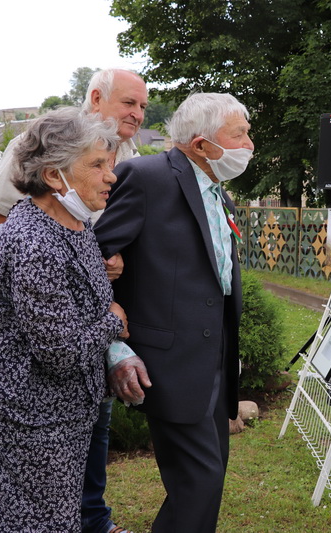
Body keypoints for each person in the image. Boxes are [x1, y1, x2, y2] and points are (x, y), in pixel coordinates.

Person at [0, 68, 147, 533]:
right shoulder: (35, 241)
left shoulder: (70, 227)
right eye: (97, 165)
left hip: (56, 414)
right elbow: (60, 352)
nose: (111, 177)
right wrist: (114, 321)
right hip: (26, 417)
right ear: (54, 175)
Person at [95, 92, 253, 532]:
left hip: (213, 356)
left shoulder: (218, 191)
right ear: (201, 144)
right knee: (200, 480)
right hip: (168, 360)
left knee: (207, 474)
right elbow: (93, 257)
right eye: (239, 134)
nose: (250, 145)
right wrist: (114, 345)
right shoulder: (146, 176)